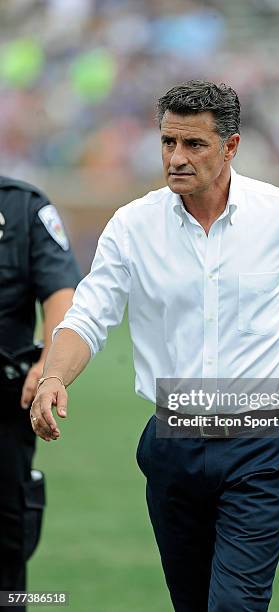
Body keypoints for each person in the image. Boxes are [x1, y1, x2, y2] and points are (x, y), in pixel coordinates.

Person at [30, 81, 279, 612]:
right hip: (172, 442)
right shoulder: (132, 225)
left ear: (230, 147)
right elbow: (88, 317)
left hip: (263, 441)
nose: (176, 158)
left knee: (234, 605)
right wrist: (52, 377)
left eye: (194, 145)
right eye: (167, 143)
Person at [0, 176, 80, 609]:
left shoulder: (22, 207)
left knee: (7, 540)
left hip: (4, 409)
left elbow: (60, 291)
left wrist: (50, 362)